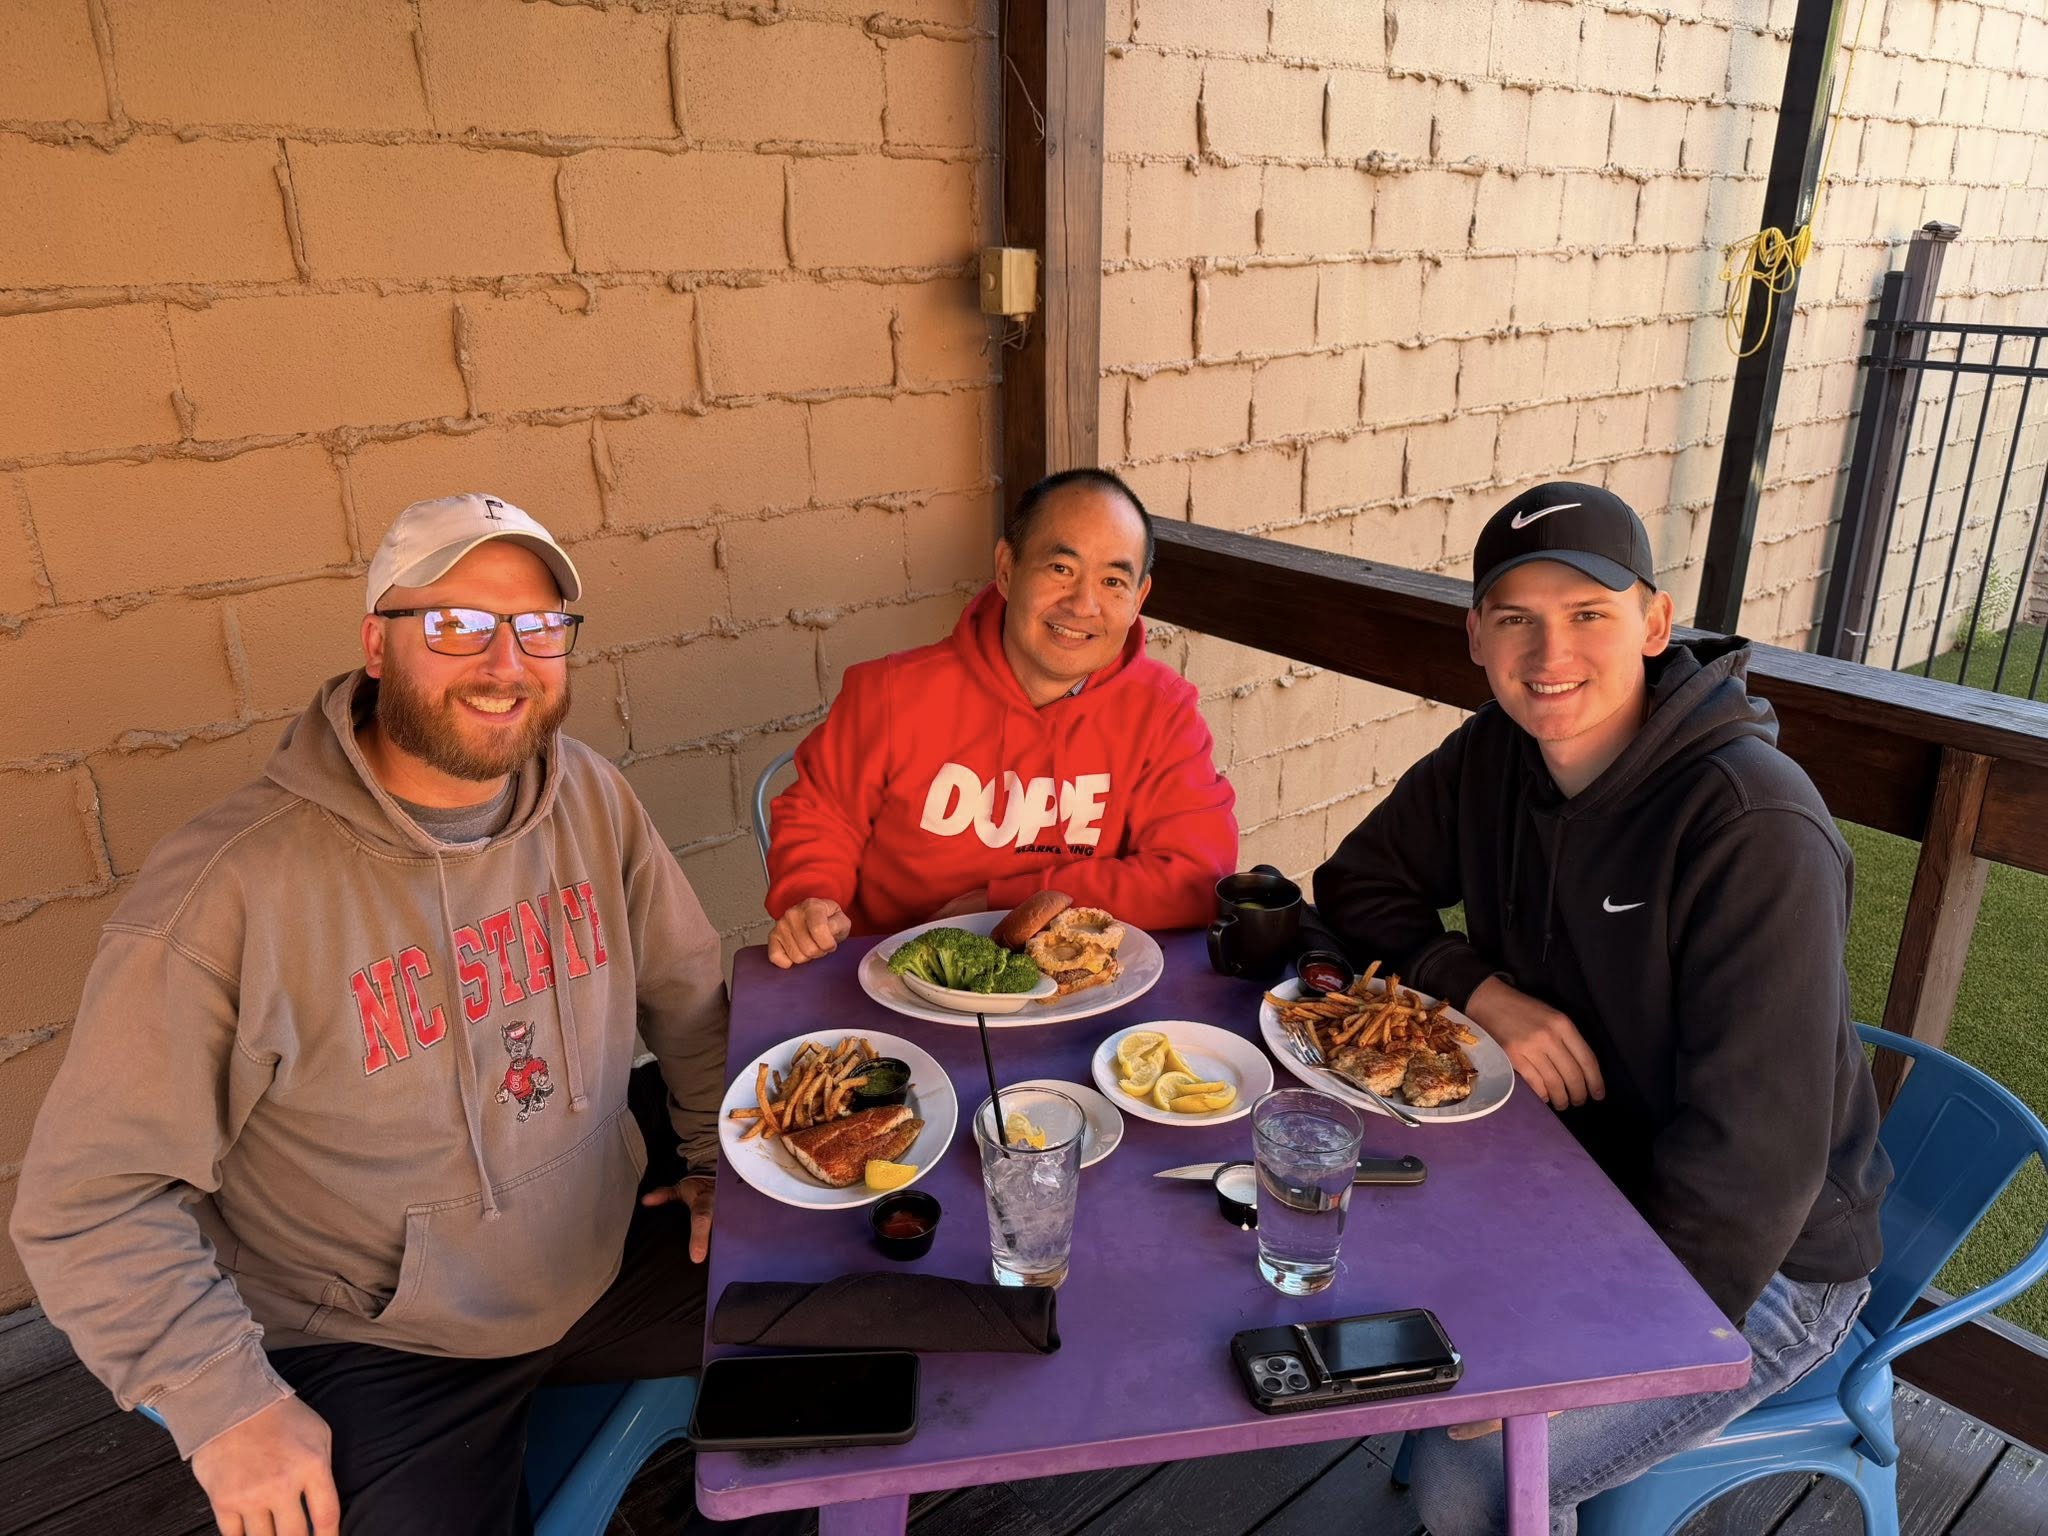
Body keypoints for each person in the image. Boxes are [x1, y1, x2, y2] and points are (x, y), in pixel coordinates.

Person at [12, 494, 734, 1536]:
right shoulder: (229, 892)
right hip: (379, 1339)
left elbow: (687, 993)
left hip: (604, 1245)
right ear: (376, 645)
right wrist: (229, 1408)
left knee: (890, 1297)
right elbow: (86, 1201)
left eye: (537, 626)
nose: (503, 661)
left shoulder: (588, 795)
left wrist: (713, 1160)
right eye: (454, 624)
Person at [1312, 482, 1893, 1534]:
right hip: (1566, 1175)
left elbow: (1747, 1173)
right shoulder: (1493, 754)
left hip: (1763, 1265)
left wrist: (1574, 1359)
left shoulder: (1750, 823)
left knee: (1476, 1474)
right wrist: (1479, 990)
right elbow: (1356, 885)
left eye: (1587, 613)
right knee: (1322, 1251)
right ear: (1474, 638)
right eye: (1515, 619)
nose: (1549, 654)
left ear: (1654, 623)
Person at [765, 468, 1237, 966]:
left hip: (1082, 989)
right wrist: (812, 897)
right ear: (1007, 569)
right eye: (1061, 569)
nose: (1083, 604)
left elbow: (1195, 875)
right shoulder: (888, 691)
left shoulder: (1163, 713)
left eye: (1113, 581)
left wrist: (1006, 901)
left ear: (1139, 598)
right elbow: (822, 815)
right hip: (895, 979)